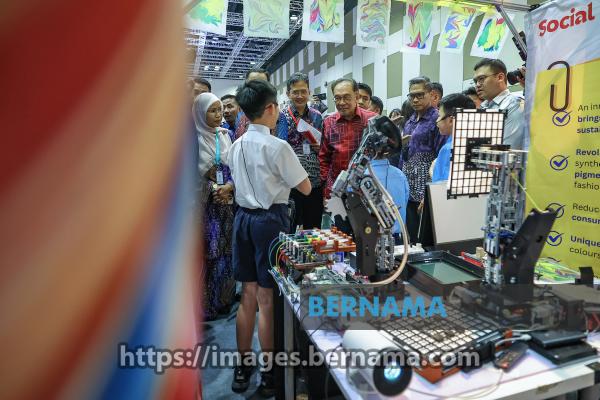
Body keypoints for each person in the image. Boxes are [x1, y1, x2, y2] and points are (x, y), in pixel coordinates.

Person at [228, 79, 311, 396]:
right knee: (266, 298)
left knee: (247, 295)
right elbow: (305, 187)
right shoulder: (278, 146)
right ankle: (269, 373)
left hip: (242, 220)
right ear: (271, 108)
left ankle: (242, 366)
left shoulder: (236, 145)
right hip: (270, 222)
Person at [193, 93, 235, 321]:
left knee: (227, 251)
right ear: (200, 113)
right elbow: (189, 174)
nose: (219, 115)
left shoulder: (226, 135)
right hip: (205, 205)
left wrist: (229, 187)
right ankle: (206, 306)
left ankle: (225, 299)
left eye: (220, 110)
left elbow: (235, 166)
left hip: (226, 202)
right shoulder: (194, 139)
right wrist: (212, 188)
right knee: (209, 252)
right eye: (213, 110)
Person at [319, 78, 377, 231]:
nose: (342, 102)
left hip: (365, 191)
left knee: (366, 235)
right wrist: (326, 191)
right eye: (337, 98)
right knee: (341, 235)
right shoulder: (328, 122)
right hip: (337, 191)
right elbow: (324, 158)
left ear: (357, 96)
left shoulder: (371, 120)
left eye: (346, 97)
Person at [279, 72, 324, 229]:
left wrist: (320, 148)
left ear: (309, 92)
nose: (300, 96)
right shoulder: (281, 116)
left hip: (314, 180)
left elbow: (324, 148)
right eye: (295, 92)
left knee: (314, 228)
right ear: (288, 94)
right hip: (290, 182)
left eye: (303, 91)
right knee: (290, 228)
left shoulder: (317, 116)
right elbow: (279, 147)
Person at [402, 77, 442, 243]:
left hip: (425, 187)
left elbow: (440, 158)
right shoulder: (410, 121)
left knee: (425, 236)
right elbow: (404, 154)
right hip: (408, 185)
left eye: (420, 95)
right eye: (412, 96)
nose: (415, 99)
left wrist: (432, 191)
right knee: (411, 234)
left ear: (431, 94)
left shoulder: (437, 119)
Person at [474, 58, 525, 150]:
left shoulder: (515, 103)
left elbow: (509, 148)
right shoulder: (483, 107)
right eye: (475, 81)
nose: (477, 85)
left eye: (481, 79)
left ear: (500, 77)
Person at [431, 93, 476, 183]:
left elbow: (441, 185)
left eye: (439, 116)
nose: (437, 121)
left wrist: (433, 171)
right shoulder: (475, 142)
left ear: (451, 120)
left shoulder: (448, 148)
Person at [371, 149, 409, 242]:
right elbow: (405, 201)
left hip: (371, 237)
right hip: (396, 236)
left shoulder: (364, 176)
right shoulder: (400, 174)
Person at [235, 68, 286, 139]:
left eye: (262, 83)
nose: (256, 87)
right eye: (252, 83)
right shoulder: (240, 114)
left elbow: (281, 142)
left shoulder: (278, 116)